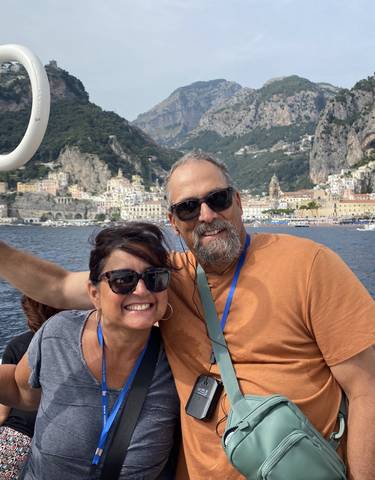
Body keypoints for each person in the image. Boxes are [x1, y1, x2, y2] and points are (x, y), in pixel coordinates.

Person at [0, 152, 374, 479]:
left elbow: (367, 388)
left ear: (239, 201)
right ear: (174, 221)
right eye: (189, 208)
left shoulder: (309, 265)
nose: (206, 215)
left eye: (218, 199)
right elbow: (58, 285)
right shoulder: (161, 280)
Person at [0, 223, 179, 479]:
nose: (141, 290)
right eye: (122, 280)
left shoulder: (178, 356)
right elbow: (21, 390)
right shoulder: (59, 334)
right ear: (94, 293)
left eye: (155, 277)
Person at [0, 296, 60, 480]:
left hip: (18, 436)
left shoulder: (17, 345)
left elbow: (2, 414)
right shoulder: (78, 345)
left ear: (28, 314)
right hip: (57, 439)